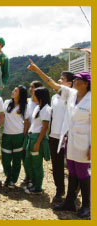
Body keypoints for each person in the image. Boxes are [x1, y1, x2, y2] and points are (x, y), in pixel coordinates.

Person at [28, 59, 91, 218]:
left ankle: (87, 205)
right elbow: (53, 85)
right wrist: (38, 71)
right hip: (70, 140)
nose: (75, 81)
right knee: (72, 171)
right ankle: (70, 202)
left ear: (85, 83)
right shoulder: (72, 93)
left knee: (83, 173)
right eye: (74, 79)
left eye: (78, 79)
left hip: (85, 142)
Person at [49, 71, 74, 203]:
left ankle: (73, 192)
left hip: (69, 136)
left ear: (69, 83)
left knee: (72, 166)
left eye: (62, 79)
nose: (59, 81)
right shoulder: (54, 98)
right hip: (54, 136)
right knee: (57, 165)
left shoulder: (73, 97)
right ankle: (60, 190)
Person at [24, 87, 51, 194]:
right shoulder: (37, 108)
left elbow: (44, 127)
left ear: (40, 96)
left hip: (37, 138)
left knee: (37, 164)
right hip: (31, 136)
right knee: (29, 161)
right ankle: (33, 184)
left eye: (35, 95)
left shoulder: (46, 109)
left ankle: (38, 187)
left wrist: (38, 142)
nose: (32, 96)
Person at [1, 85, 29, 188]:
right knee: (5, 159)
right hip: (6, 135)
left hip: (19, 135)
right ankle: (8, 176)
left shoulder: (25, 106)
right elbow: (1, 116)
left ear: (20, 94)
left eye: (15, 91)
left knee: (17, 160)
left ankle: (13, 180)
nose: (13, 91)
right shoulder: (6, 103)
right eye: (13, 89)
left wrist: (24, 135)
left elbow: (26, 122)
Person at [21, 80, 43, 187]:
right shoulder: (28, 101)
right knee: (25, 157)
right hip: (26, 132)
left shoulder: (41, 104)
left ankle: (35, 180)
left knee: (33, 158)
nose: (31, 89)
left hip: (35, 134)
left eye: (33, 87)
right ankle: (28, 175)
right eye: (30, 86)